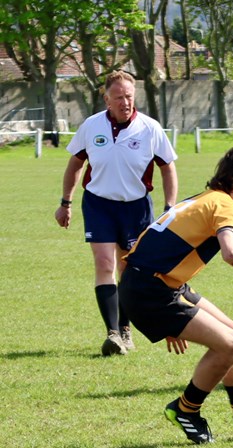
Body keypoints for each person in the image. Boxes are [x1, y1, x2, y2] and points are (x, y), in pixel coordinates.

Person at [119, 146, 233, 444]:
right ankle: (186, 409)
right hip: (152, 290)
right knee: (229, 345)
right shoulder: (226, 205)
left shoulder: (204, 198)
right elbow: (232, 254)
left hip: (152, 284)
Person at [54, 70, 178, 357]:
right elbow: (75, 166)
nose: (125, 102)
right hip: (98, 205)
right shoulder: (91, 125)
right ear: (106, 99)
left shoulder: (150, 128)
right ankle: (112, 334)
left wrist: (169, 207)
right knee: (104, 263)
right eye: (119, 97)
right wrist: (65, 202)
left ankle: (125, 328)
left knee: (128, 269)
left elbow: (168, 168)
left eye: (129, 96)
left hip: (136, 207)